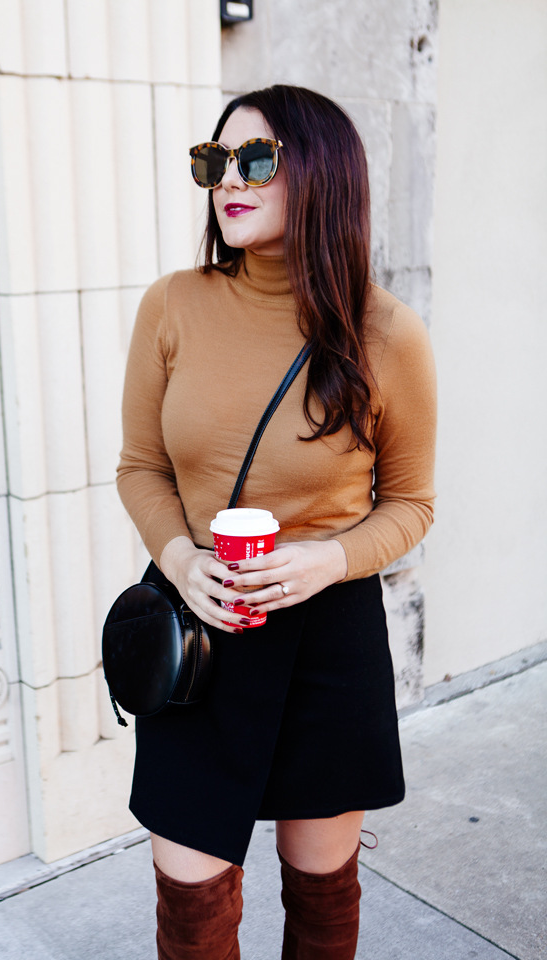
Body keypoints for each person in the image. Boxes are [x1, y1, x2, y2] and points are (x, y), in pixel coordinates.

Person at [116, 84, 436, 960]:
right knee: (193, 904)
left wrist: (328, 562)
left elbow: (412, 504)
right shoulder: (172, 305)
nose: (227, 180)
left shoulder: (386, 334)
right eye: (213, 162)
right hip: (201, 633)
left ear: (323, 174)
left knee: (322, 896)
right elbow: (140, 467)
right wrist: (180, 561)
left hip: (328, 641)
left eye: (254, 159)